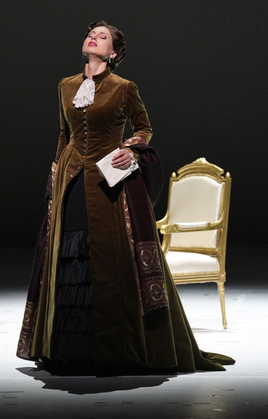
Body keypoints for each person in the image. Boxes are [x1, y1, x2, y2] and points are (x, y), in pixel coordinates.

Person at [17, 20, 234, 374]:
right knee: (70, 255)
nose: (93, 38)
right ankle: (69, 350)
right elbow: (63, 132)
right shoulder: (66, 85)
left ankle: (112, 347)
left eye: (102, 37)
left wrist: (130, 151)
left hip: (108, 182)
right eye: (91, 34)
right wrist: (57, 166)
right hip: (71, 180)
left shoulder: (123, 87)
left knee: (106, 258)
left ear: (113, 52)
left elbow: (144, 126)